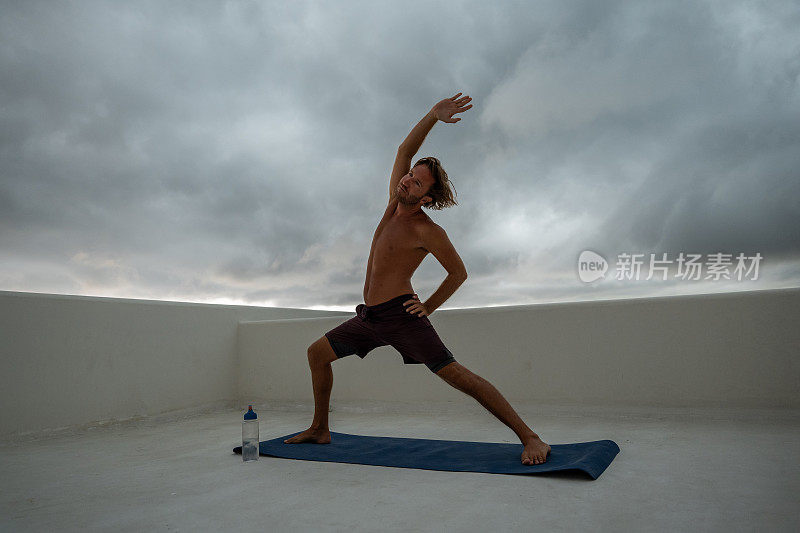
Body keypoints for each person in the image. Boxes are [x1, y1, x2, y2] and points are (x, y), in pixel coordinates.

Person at [285, 93, 551, 465]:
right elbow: (404, 149)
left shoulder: (427, 231)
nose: (407, 181)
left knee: (458, 376)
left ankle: (530, 437)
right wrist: (432, 115)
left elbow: (458, 273)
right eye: (409, 176)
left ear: (426, 198)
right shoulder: (394, 204)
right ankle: (320, 428)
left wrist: (428, 305)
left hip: (401, 317)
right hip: (370, 318)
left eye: (416, 183)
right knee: (317, 354)